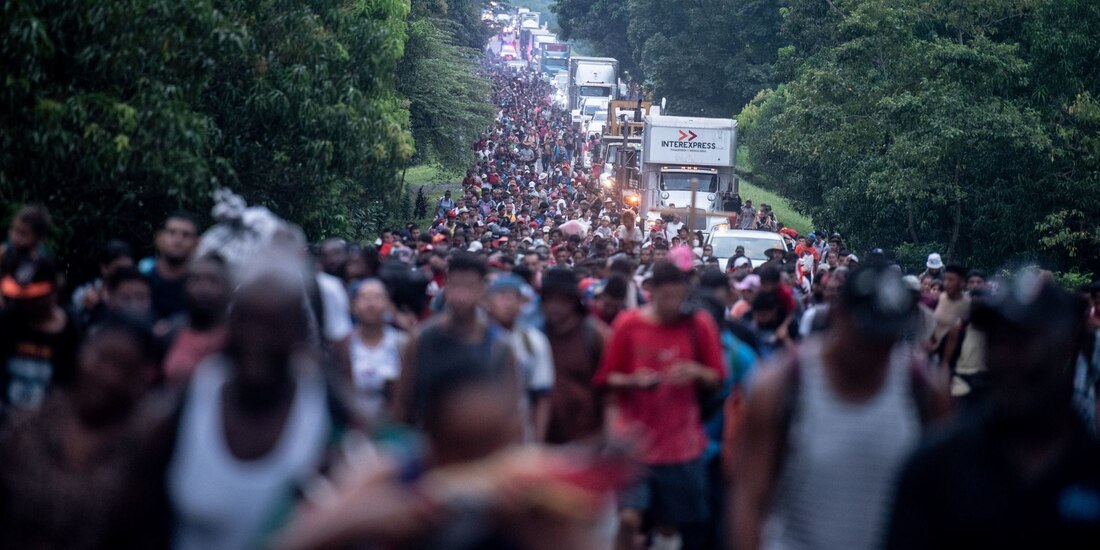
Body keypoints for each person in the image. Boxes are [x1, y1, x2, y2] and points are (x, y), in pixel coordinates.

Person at [124, 261, 364, 550]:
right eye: (246, 322)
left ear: (299, 334)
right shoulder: (196, 393)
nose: (257, 339)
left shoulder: (322, 398)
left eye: (274, 325)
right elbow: (141, 503)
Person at [733, 264, 947, 550]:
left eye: (888, 338)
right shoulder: (781, 386)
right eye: (867, 335)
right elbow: (750, 498)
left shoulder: (923, 390)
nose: (877, 350)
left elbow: (942, 500)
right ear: (837, 315)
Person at [886, 275, 1100, 549]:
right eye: (996, 340)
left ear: (1066, 347)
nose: (1006, 356)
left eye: (1023, 340)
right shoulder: (935, 468)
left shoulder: (1091, 472)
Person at [0, 315, 162, 549]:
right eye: (101, 359)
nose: (107, 377)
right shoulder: (27, 426)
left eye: (123, 368)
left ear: (140, 380)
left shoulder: (146, 451)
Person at [596, 260, 725, 550]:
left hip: (681, 444)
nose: (673, 305)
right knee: (628, 519)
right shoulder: (629, 324)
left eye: (679, 298)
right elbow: (606, 380)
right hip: (634, 443)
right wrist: (634, 382)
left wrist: (695, 371)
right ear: (651, 291)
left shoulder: (699, 324)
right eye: (666, 298)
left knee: (670, 523)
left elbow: (717, 378)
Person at [392, 252, 518, 430]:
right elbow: (403, 405)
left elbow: (510, 412)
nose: (461, 296)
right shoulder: (422, 339)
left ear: (482, 290)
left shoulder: (500, 346)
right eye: (455, 286)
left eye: (469, 287)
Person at [0, 255, 79, 412]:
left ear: (53, 292)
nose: (24, 303)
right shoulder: (7, 321)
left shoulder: (72, 329)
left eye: (33, 297)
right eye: (19, 296)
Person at [485, 273, 554, 441]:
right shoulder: (474, 338)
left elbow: (542, 397)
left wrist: (537, 442)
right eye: (502, 296)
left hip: (521, 435)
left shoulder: (533, 341)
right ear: (488, 302)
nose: (507, 303)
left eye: (513, 297)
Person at [162, 255, 231, 385]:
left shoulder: (236, 339)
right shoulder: (170, 332)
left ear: (228, 289)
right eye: (196, 280)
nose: (204, 289)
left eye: (213, 281)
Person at [146, 213, 199, 323]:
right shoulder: (142, 276)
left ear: (197, 243)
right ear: (159, 239)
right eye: (172, 233)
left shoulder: (200, 284)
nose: (178, 240)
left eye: (186, 235)